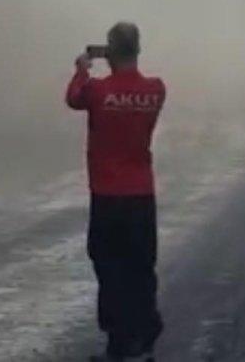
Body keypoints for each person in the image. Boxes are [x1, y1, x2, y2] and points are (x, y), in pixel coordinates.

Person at [66, 22, 166, 361]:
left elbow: (73, 99)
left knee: (109, 267)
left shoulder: (96, 91)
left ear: (109, 51)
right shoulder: (156, 89)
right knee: (141, 266)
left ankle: (119, 341)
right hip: (141, 194)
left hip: (107, 195)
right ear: (138, 49)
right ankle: (145, 337)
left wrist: (82, 69)